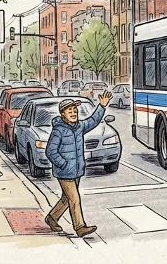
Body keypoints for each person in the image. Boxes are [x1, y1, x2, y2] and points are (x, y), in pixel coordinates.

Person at [44, 90, 112, 238]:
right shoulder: (59, 130)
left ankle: (52, 218)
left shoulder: (79, 126)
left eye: (75, 110)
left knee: (66, 198)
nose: (74, 112)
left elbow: (93, 121)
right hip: (65, 172)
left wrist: (101, 106)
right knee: (74, 198)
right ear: (63, 114)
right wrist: (63, 164)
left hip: (76, 170)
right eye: (70, 110)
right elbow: (50, 151)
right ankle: (80, 227)